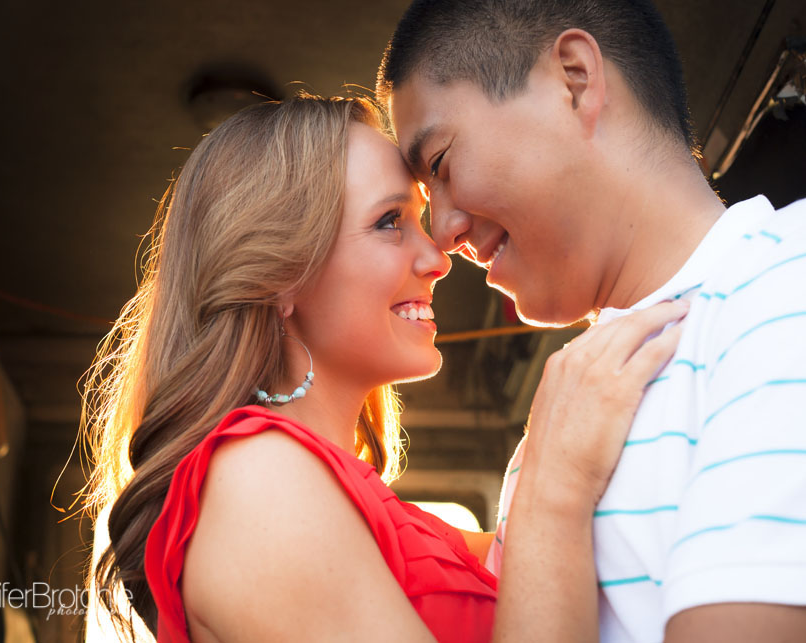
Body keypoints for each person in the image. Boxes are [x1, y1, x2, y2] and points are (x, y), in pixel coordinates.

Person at [82, 93, 686, 642]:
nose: (438, 257)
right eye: (390, 222)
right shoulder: (256, 478)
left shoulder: (379, 516)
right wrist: (556, 490)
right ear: (278, 275)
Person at [377, 0, 806, 640]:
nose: (442, 233)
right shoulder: (560, 423)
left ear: (574, 80)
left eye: (440, 164)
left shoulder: (786, 283)